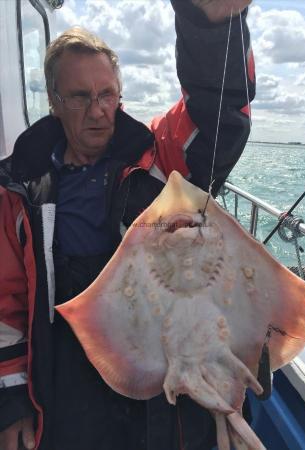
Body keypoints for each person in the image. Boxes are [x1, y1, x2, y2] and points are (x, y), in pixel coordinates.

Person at [0, 1, 255, 449]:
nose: (98, 110)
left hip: (156, 361)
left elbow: (216, 115)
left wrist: (213, 26)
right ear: (55, 102)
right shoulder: (19, 187)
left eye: (108, 95)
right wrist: (13, 402)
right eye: (80, 96)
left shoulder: (156, 156)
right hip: (65, 363)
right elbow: (7, 300)